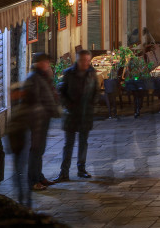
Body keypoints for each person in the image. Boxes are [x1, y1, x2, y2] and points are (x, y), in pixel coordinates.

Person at [7, 52, 62, 200]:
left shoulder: (43, 76)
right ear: (39, 63)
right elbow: (37, 99)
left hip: (43, 118)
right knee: (35, 150)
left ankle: (39, 176)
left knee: (40, 149)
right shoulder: (34, 78)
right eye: (46, 62)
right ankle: (33, 181)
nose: (48, 65)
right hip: (37, 120)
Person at [55, 50, 99, 181]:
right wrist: (68, 105)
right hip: (71, 114)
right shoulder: (69, 73)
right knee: (68, 144)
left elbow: (96, 91)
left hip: (86, 114)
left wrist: (92, 105)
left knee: (83, 143)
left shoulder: (92, 73)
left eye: (87, 60)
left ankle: (81, 169)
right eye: (82, 60)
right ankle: (64, 172)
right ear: (77, 60)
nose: (85, 63)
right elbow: (61, 91)